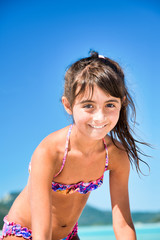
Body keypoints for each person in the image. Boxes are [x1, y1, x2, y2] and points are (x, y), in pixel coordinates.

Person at [1, 50, 148, 240]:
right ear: (68, 105)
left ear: (122, 103)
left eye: (110, 105)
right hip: (26, 232)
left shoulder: (116, 154)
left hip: (69, 235)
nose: (100, 117)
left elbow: (123, 224)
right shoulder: (50, 152)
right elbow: (41, 234)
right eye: (88, 105)